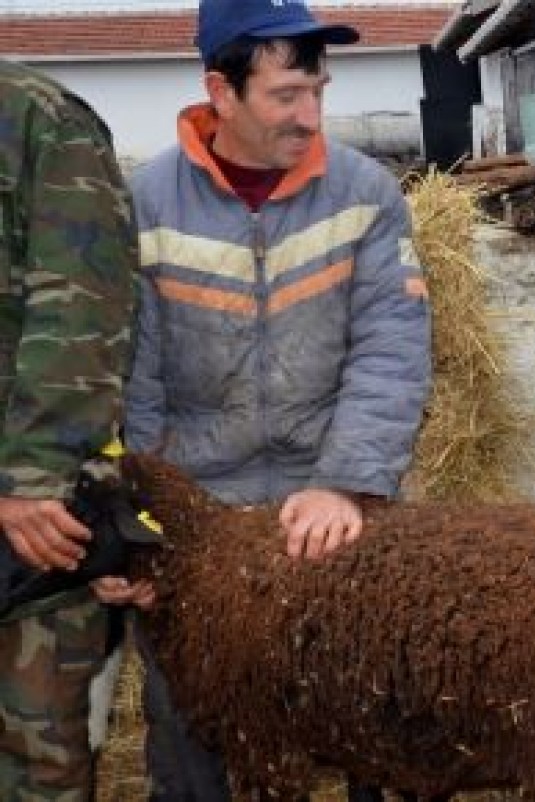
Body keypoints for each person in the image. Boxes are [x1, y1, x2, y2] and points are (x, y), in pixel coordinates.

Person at [119, 0, 432, 799]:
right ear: (220, 91)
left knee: (378, 704)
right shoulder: (146, 204)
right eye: (286, 95)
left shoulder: (365, 193)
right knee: (190, 719)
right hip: (203, 506)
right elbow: (133, 382)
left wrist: (348, 482)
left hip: (331, 493)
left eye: (317, 90)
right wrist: (144, 532)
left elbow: (391, 351)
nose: (310, 113)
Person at [0, 58, 142, 802]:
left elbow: (83, 314)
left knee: (37, 756)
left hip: (25, 532)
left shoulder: (41, 120)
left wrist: (28, 484)